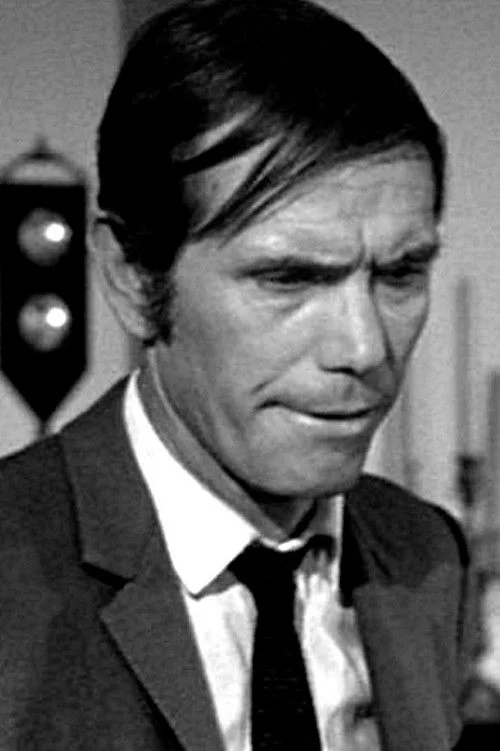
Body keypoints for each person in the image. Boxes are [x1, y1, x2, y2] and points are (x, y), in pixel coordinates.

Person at [0, 0, 470, 749]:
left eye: (401, 272)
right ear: (132, 278)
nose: (364, 347)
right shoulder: (15, 571)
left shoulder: (426, 555)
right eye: (288, 278)